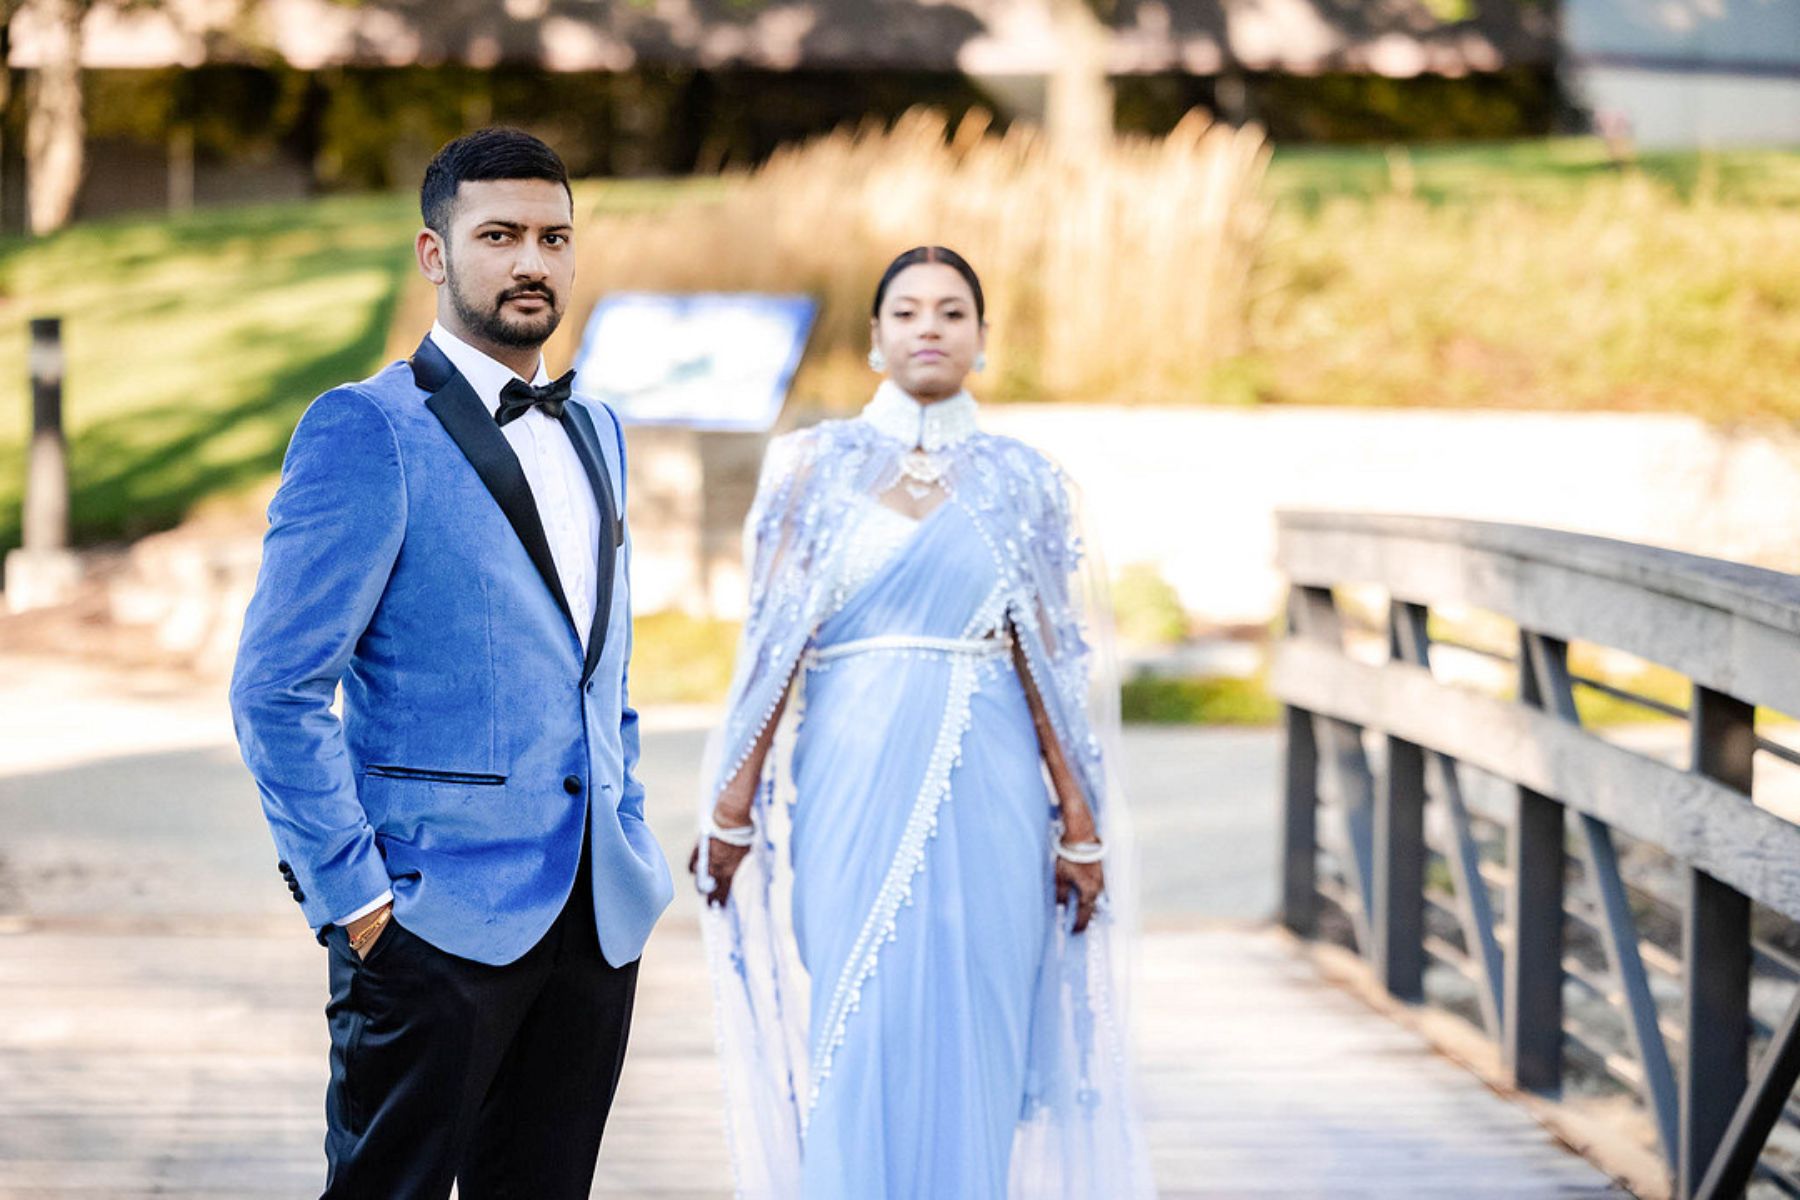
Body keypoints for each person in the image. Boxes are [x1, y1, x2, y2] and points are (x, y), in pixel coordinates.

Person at [229, 127, 673, 1199]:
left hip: (593, 924)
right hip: (428, 924)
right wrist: (357, 900)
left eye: (554, 238)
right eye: (500, 235)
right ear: (435, 254)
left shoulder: (599, 430)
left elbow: (599, 671)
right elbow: (276, 690)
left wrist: (627, 825)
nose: (532, 261)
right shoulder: (364, 430)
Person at [692, 246, 1156, 1198]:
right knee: (860, 1013)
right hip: (849, 771)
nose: (930, 328)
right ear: (876, 337)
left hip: (992, 783)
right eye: (907, 312)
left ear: (982, 338)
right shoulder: (810, 468)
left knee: (979, 1013)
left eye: (952, 312)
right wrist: (731, 806)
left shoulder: (1026, 481)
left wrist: (1080, 822)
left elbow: (1050, 664)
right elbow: (772, 648)